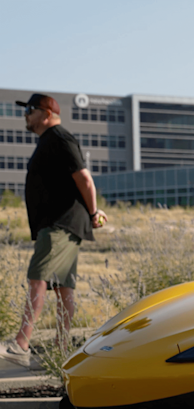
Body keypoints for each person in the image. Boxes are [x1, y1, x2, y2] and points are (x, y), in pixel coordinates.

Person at [0, 94, 106, 368]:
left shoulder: (59, 138)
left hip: (61, 223)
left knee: (38, 278)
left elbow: (84, 177)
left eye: (30, 110)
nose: (26, 115)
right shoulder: (49, 140)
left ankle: (21, 346)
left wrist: (94, 213)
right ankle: (61, 354)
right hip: (60, 223)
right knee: (63, 288)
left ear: (46, 113)